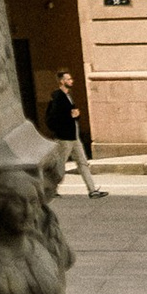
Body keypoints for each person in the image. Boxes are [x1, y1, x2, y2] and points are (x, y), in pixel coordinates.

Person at [41, 65, 107, 196]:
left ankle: (92, 190)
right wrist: (69, 116)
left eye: (71, 79)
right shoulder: (58, 97)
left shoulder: (68, 96)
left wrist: (76, 115)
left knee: (83, 163)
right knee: (60, 165)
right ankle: (49, 189)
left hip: (74, 136)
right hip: (65, 138)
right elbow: (55, 116)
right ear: (62, 81)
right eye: (68, 79)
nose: (71, 81)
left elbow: (72, 114)